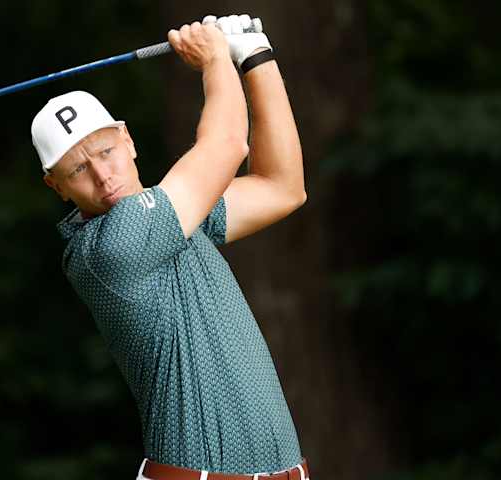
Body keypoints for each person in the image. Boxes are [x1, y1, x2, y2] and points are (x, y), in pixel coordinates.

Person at [30, 14, 308, 480]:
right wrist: (216, 58)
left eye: (104, 151)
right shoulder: (108, 249)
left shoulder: (178, 218)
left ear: (127, 140)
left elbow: (282, 187)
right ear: (55, 186)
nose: (103, 176)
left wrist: (257, 56)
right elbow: (226, 143)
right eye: (78, 170)